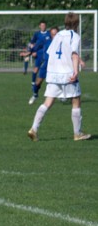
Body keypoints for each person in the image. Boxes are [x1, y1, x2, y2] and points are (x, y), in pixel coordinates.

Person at [27, 12, 91, 142]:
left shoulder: (58, 35)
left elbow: (51, 53)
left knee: (48, 102)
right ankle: (77, 133)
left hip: (53, 74)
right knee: (76, 101)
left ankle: (34, 129)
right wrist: (75, 71)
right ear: (77, 23)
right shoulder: (75, 36)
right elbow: (73, 54)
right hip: (67, 74)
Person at [28, 27, 58, 105]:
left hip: (57, 65)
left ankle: (63, 96)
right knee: (38, 82)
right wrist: (30, 52)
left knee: (61, 80)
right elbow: (36, 45)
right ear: (50, 35)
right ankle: (35, 95)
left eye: (56, 34)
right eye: (53, 34)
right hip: (46, 64)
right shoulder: (46, 41)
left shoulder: (61, 42)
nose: (54, 36)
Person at [28, 21, 50, 101]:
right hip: (39, 54)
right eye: (42, 25)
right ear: (39, 26)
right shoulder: (37, 34)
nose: (43, 26)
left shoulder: (49, 34)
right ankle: (33, 83)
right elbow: (31, 43)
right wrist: (32, 51)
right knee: (36, 69)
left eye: (44, 25)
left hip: (47, 54)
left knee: (48, 71)